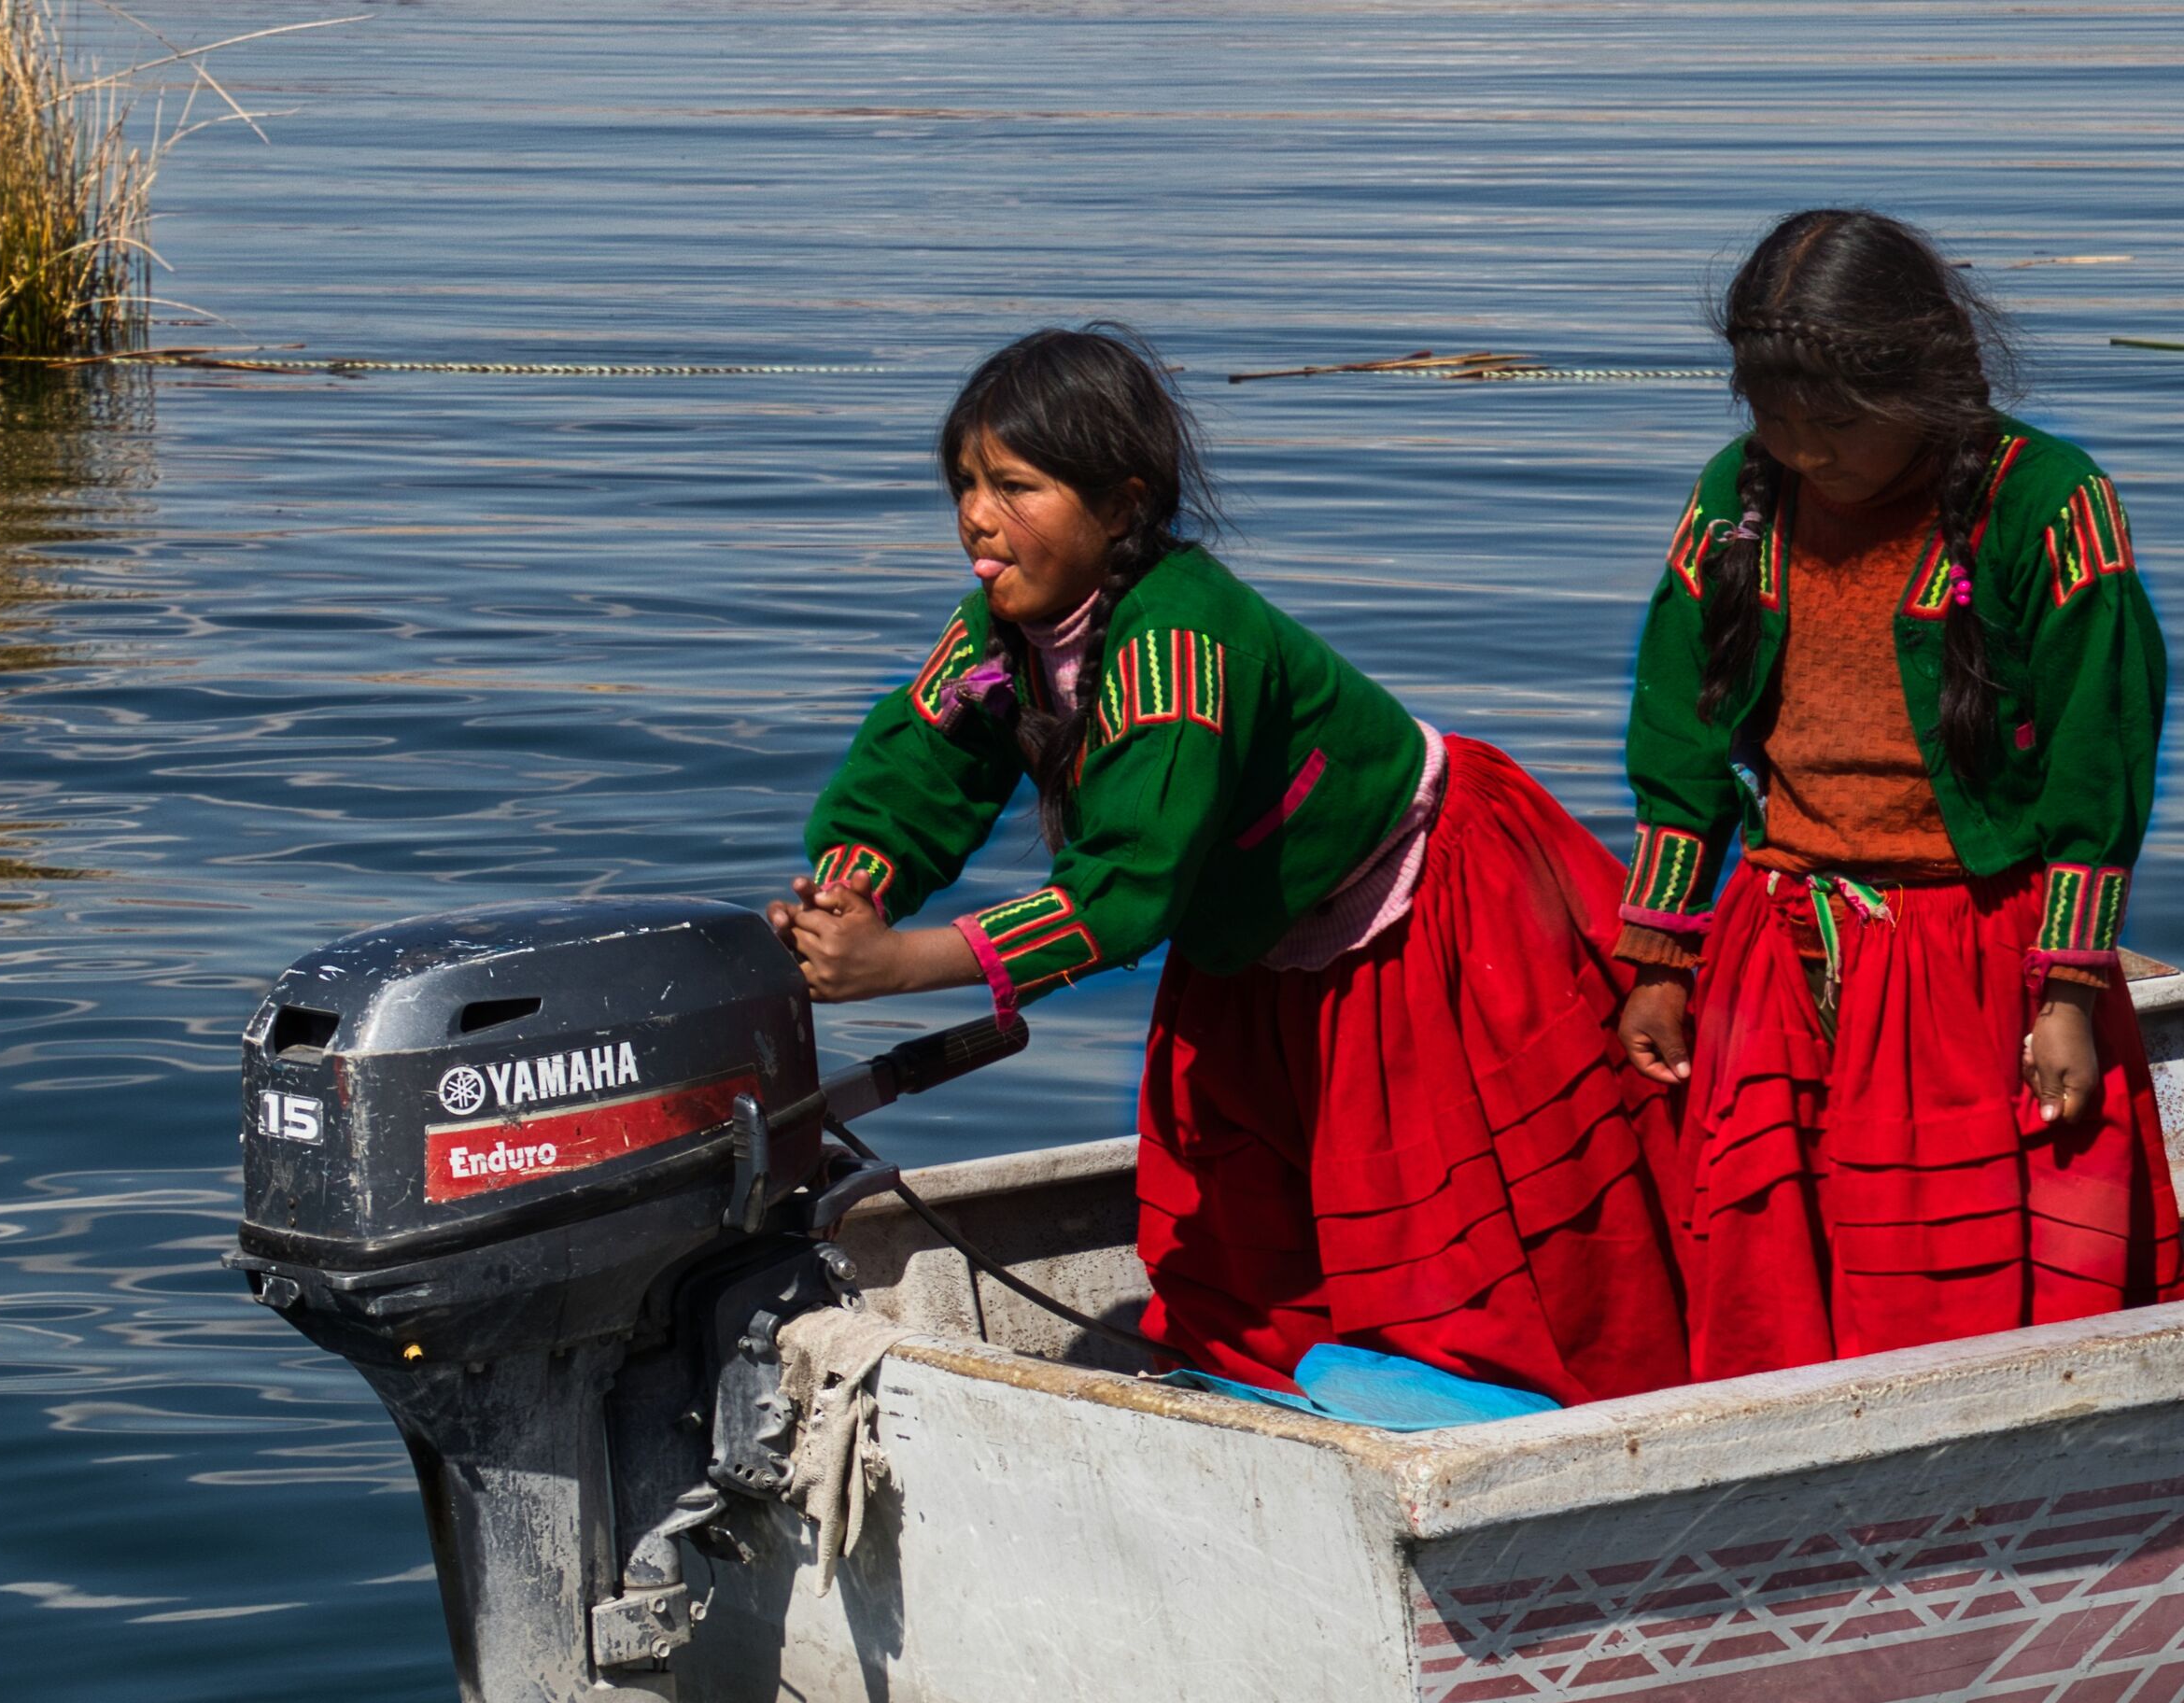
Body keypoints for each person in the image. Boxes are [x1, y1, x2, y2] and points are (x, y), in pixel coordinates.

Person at [771, 324, 1686, 1406]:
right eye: (965, 483)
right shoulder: (999, 632)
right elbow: (916, 764)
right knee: (1235, 1243)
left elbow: (1126, 888)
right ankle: (1273, 1402)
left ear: (1120, 505)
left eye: (1015, 486)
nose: (976, 516)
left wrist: (900, 963)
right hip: (1253, 932)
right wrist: (848, 891)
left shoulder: (1178, 646)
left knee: (1464, 1230)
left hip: (1424, 910)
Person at [1614, 208, 2179, 1379]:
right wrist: (1661, 961)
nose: (1804, 453)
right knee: (1777, 1281)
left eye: (1834, 425)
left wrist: (2068, 990)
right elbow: (1678, 736)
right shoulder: (1737, 501)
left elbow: (2100, 758)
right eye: (1774, 418)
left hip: (1974, 962)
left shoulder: (2050, 505)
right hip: (1782, 953)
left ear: (1921, 384)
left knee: (1952, 1303)